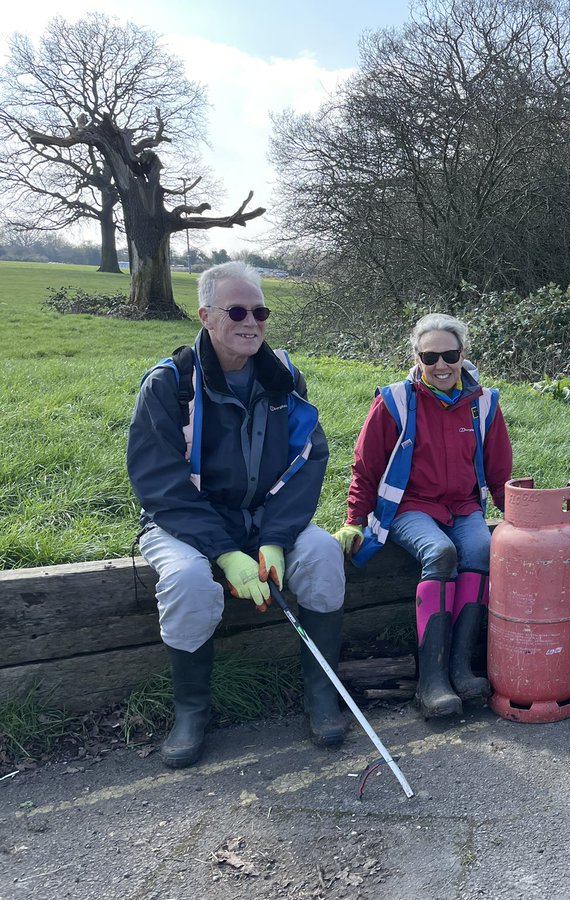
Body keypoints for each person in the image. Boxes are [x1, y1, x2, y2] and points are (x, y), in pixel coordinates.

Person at [128, 261, 347, 768]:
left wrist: (274, 538)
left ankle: (321, 695)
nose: (252, 322)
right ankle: (191, 712)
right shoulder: (169, 385)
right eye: (237, 311)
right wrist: (225, 554)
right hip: (181, 521)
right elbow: (159, 484)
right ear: (205, 315)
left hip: (264, 517)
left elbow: (307, 460)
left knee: (322, 554)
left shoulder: (285, 377)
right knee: (186, 581)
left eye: (260, 311)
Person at [334, 313, 513, 719]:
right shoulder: (396, 400)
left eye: (450, 355)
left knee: (484, 549)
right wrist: (354, 519)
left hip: (463, 507)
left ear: (463, 354)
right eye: (430, 357)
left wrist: (523, 519)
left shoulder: (483, 403)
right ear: (417, 358)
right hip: (408, 507)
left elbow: (500, 471)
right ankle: (430, 681)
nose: (441, 365)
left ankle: (460, 668)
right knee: (440, 553)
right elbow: (365, 466)